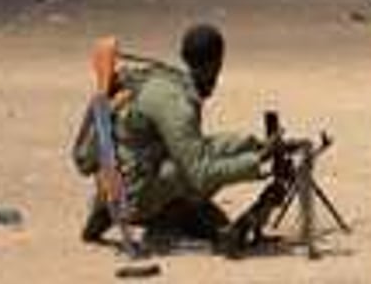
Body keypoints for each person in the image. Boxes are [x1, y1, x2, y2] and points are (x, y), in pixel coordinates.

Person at [73, 24, 271, 247]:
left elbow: (203, 147)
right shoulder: (176, 105)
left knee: (213, 149)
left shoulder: (163, 79)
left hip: (119, 176)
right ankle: (163, 217)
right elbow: (199, 173)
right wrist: (258, 164)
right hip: (133, 196)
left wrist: (257, 146)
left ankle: (110, 207)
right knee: (196, 173)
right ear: (215, 64)